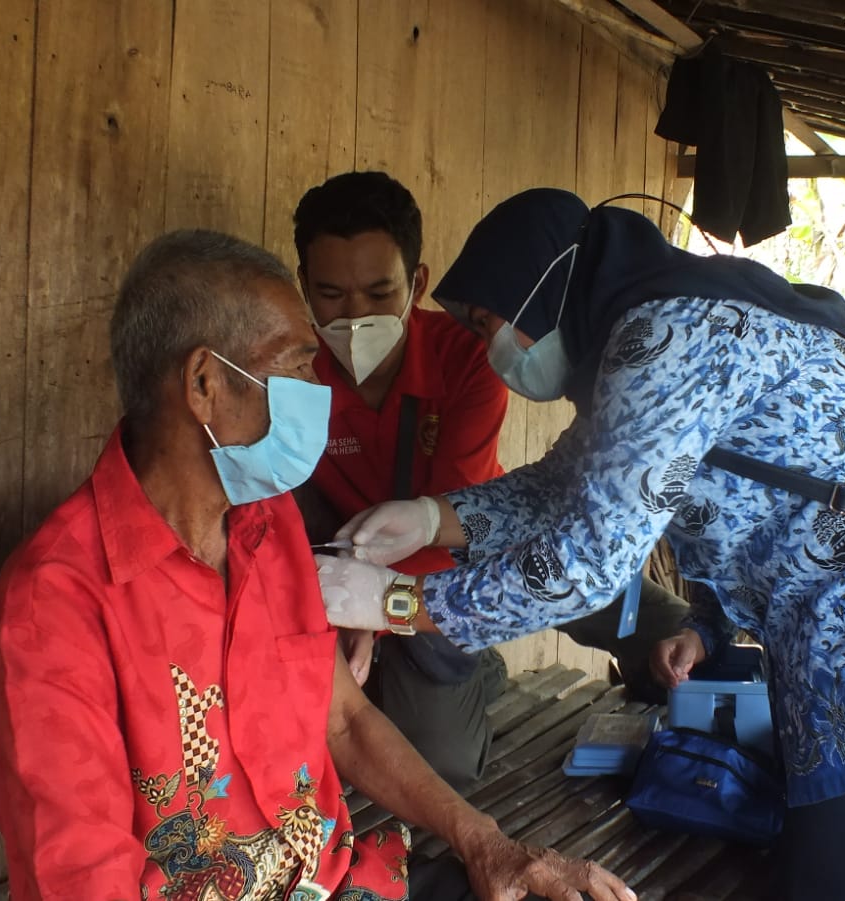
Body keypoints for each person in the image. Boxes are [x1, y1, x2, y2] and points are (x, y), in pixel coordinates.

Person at [311, 189, 845, 900]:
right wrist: (433, 516)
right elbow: (566, 485)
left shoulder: (664, 339)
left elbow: (589, 561)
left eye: (487, 322)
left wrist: (398, 600)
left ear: (543, 289)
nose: (491, 347)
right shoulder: (650, 334)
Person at [0, 228, 635, 901]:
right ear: (205, 383)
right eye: (295, 366)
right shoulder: (55, 601)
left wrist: (486, 842)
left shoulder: (267, 524)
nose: (318, 386)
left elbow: (345, 719)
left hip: (339, 881)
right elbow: (82, 878)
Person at [292, 171, 690, 788]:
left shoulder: (468, 358)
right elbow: (548, 487)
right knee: (430, 759)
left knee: (661, 628)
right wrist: (355, 597)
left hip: (471, 545)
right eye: (331, 296)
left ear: (416, 283)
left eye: (378, 293)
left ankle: (482, 657)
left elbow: (529, 545)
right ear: (304, 291)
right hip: (359, 553)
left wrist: (381, 608)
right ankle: (471, 664)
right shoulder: (292, 373)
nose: (355, 318)